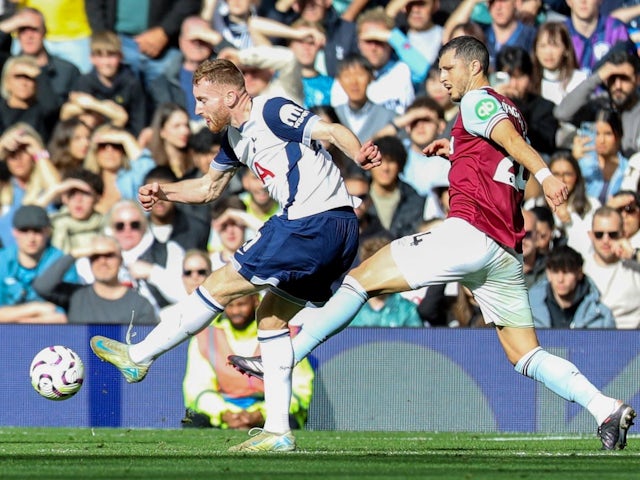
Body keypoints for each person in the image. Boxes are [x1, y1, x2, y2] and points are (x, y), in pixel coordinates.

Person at [229, 37, 636, 451]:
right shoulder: (507, 108)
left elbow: (513, 144)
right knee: (524, 355)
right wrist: (457, 151)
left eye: (447, 69)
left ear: (474, 67)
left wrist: (546, 176)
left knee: (362, 278)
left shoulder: (477, 102)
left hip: (470, 234)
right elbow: (498, 153)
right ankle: (605, 408)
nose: (441, 78)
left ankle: (284, 356)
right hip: (504, 252)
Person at [89, 58, 381, 452]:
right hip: (338, 228)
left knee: (219, 285)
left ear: (231, 95)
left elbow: (327, 129)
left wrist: (359, 152)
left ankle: (139, 356)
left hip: (312, 220)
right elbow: (209, 188)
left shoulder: (272, 110)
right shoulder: (234, 139)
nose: (198, 109)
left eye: (202, 99)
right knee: (271, 316)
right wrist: (164, 191)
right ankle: (278, 431)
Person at [182, 291, 315, 430]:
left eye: (241, 304)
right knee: (193, 422)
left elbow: (300, 389)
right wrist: (224, 414)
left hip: (271, 415)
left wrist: (262, 414)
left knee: (286, 422)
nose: (235, 311)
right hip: (222, 416)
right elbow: (196, 388)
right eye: (230, 305)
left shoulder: (286, 334)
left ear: (256, 301)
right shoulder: (205, 336)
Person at [32, 234, 158, 325]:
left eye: (109, 255)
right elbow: (42, 286)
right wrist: (75, 253)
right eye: (95, 256)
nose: (102, 262)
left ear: (121, 260)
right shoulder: (75, 296)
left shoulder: (140, 304)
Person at [554, 47, 640, 158]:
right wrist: (597, 77)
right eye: (612, 78)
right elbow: (561, 113)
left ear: (637, 79)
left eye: (624, 79)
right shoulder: (599, 103)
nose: (618, 86)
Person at [0, 205, 77, 323]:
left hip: (52, 334)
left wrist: (15, 318)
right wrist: (35, 309)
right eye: (24, 231)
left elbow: (65, 315)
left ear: (47, 231)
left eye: (37, 231)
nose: (31, 238)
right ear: (14, 232)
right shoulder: (3, 261)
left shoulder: (61, 262)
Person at [73, 30, 147, 136]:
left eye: (111, 56)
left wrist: (94, 104)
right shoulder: (84, 82)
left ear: (121, 57)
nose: (106, 63)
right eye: (100, 56)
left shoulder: (132, 83)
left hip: (124, 137)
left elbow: (139, 122)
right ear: (91, 58)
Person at [528, 244, 615, 329]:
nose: (560, 279)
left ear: (579, 273)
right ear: (548, 274)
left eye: (566, 272)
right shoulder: (526, 310)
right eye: (555, 272)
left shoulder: (601, 315)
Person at [583, 206, 640, 329]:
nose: (605, 240)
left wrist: (634, 254)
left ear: (623, 234)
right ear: (590, 235)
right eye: (599, 234)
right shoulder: (580, 268)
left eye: (612, 234)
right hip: (589, 340)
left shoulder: (635, 269)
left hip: (630, 342)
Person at [349, 236, 423, 327]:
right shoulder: (350, 308)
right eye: (373, 270)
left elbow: (417, 339)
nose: (378, 276)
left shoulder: (406, 309)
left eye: (383, 270)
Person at [333, 54, 397, 143]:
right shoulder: (333, 116)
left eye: (359, 74)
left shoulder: (388, 117)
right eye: (347, 76)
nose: (354, 82)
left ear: (371, 77)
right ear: (339, 80)